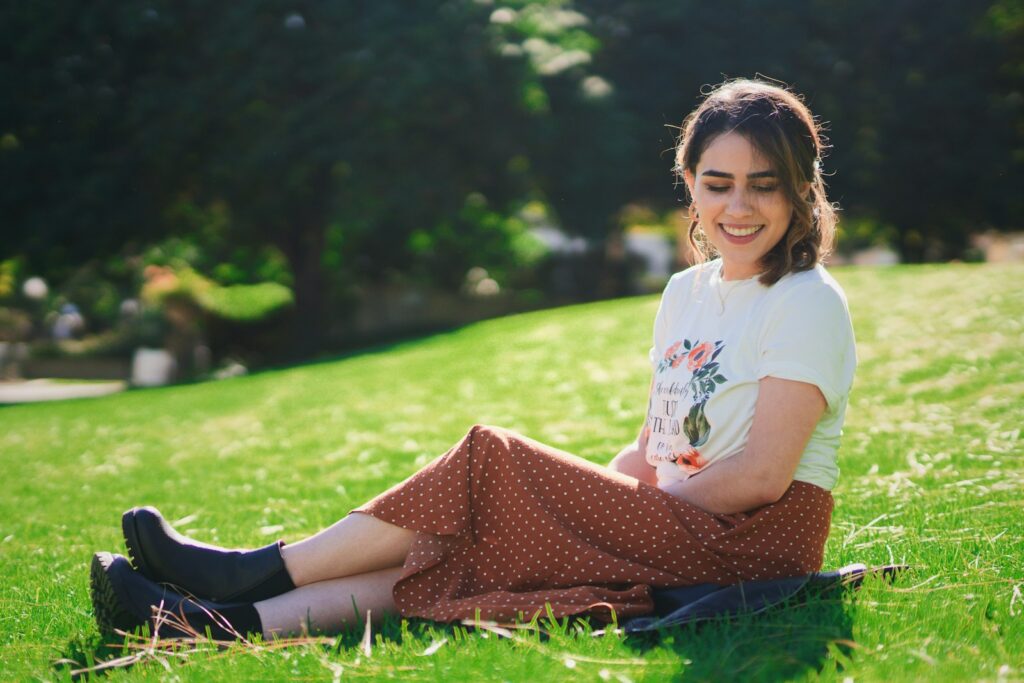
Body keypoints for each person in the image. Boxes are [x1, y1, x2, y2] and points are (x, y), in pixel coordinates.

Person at [90, 78, 856, 641]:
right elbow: (659, 447)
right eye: (717, 184)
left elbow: (760, 477)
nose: (739, 207)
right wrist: (601, 494)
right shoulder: (689, 291)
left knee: (492, 458)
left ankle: (249, 568)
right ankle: (196, 622)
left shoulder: (804, 300)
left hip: (750, 541)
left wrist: (597, 515)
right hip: (674, 521)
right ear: (689, 186)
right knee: (451, 547)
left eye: (765, 185)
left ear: (800, 192)